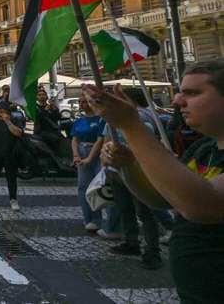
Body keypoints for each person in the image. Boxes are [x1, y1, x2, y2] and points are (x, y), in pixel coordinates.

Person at [85, 60, 224, 302]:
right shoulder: (204, 148)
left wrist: (130, 125)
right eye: (181, 91)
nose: (177, 101)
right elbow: (161, 199)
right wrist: (128, 166)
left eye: (192, 93)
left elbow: (203, 206)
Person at [98, 88, 164, 270]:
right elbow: (106, 140)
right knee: (125, 207)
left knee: (144, 211)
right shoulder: (112, 119)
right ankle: (131, 242)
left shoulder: (143, 119)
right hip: (115, 171)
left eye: (120, 98)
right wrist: (104, 159)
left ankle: (152, 251)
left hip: (139, 172)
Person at [70, 97, 106, 232]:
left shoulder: (101, 120)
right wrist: (75, 155)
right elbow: (74, 139)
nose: (81, 104)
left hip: (96, 154)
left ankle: (98, 219)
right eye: (79, 102)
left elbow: (100, 140)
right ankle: (88, 218)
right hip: (81, 153)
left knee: (98, 187)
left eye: (84, 101)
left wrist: (90, 158)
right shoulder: (79, 121)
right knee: (83, 187)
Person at [33, 88, 64, 155]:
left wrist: (54, 108)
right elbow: (38, 118)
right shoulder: (35, 108)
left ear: (47, 96)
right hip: (41, 131)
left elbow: (58, 117)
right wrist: (45, 110)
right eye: (39, 95)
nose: (42, 96)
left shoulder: (51, 106)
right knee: (54, 140)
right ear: (37, 97)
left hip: (54, 131)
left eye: (43, 94)